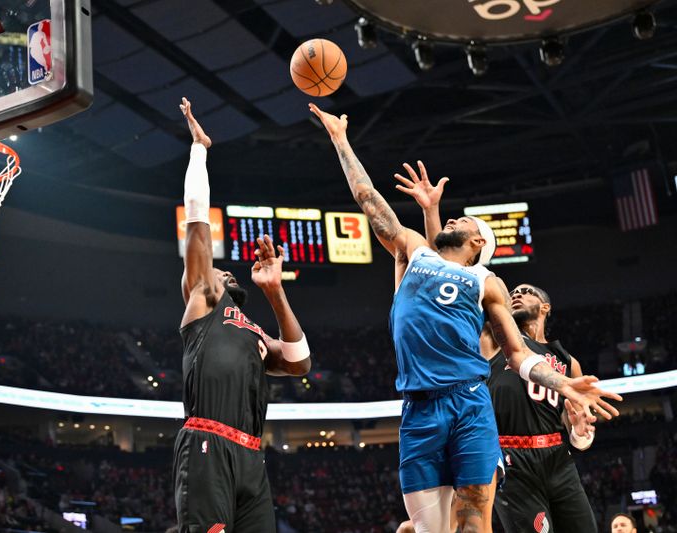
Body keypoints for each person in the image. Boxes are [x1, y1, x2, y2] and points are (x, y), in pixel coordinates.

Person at [309, 102, 622, 533]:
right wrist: (341, 140)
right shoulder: (414, 251)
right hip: (419, 410)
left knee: (475, 524)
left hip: (471, 406)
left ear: (476, 240)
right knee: (429, 530)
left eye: (462, 219)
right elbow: (369, 201)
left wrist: (564, 383)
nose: (451, 217)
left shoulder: (487, 283)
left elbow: (518, 354)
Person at [174, 97, 312, 533]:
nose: (224, 270)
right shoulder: (205, 298)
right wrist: (200, 151)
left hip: (252, 451)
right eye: (219, 268)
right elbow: (198, 224)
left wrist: (275, 292)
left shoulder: (251, 329)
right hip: (208, 439)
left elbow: (299, 362)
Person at [480, 284, 598, 533]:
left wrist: (578, 431)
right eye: (513, 293)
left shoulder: (568, 361)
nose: (517, 295)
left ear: (545, 307)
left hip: (558, 458)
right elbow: (486, 292)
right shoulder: (495, 340)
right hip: (513, 460)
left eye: (526, 291)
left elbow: (581, 441)